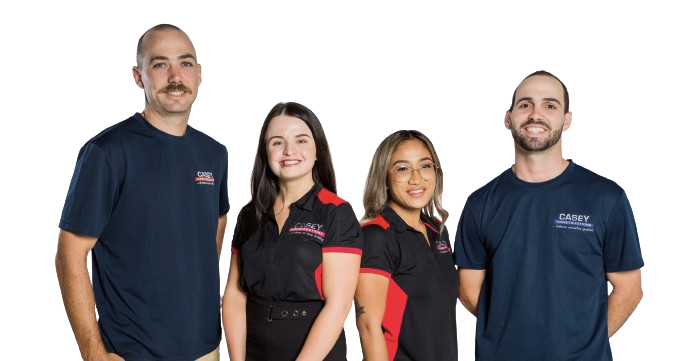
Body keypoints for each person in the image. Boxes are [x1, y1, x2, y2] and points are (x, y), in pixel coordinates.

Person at [55, 23, 228, 361]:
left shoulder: (214, 153)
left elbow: (216, 229)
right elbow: (70, 254)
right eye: (160, 64)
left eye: (186, 63)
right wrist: (92, 352)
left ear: (199, 74)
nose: (175, 76)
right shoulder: (107, 152)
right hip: (131, 350)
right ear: (138, 76)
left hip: (206, 346)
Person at [454, 70, 644, 361]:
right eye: (525, 104)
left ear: (567, 120)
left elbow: (630, 290)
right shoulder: (480, 202)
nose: (535, 114)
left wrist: (583, 345)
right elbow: (468, 292)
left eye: (550, 105)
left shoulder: (607, 197)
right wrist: (508, 333)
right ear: (508, 118)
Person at [222, 101, 362, 361]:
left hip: (311, 347)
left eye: (301, 140)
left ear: (318, 149)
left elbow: (339, 305)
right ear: (266, 152)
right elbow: (234, 292)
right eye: (277, 142)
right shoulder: (250, 213)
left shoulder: (337, 212)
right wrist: (237, 359)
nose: (289, 151)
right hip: (251, 343)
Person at [354, 129, 458, 361]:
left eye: (425, 166)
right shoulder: (376, 236)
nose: (416, 178)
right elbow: (369, 327)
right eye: (402, 168)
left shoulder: (438, 230)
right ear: (384, 177)